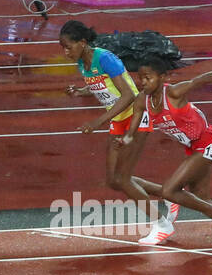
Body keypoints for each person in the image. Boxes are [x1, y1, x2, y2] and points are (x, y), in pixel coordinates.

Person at [121, 36, 212, 251]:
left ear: (162, 76)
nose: (143, 82)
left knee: (169, 190)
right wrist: (125, 140)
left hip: (208, 142)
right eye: (141, 78)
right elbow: (133, 130)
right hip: (192, 148)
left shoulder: (174, 92)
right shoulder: (142, 100)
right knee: (201, 198)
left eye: (148, 78)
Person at [58, 21, 175, 242]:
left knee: (122, 178)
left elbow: (128, 95)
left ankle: (162, 224)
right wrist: (81, 91)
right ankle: (169, 195)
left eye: (68, 46)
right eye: (62, 47)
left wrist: (97, 122)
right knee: (114, 180)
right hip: (119, 120)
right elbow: (101, 86)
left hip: (135, 117)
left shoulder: (105, 59)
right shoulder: (83, 64)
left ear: (82, 43)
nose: (65, 52)